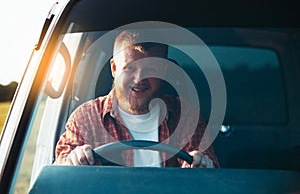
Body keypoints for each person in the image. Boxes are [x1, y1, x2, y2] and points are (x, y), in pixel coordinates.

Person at [55, 30, 220, 168]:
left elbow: (208, 169)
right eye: (130, 68)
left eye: (150, 69)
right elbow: (59, 173)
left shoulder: (186, 115)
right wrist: (72, 162)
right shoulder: (86, 118)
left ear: (163, 71)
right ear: (114, 68)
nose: (139, 79)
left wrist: (202, 164)